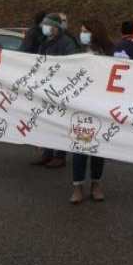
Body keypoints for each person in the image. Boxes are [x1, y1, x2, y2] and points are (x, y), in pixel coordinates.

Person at [71, 20, 114, 203]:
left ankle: (96, 184)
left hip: (101, 107)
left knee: (97, 149)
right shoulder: (77, 53)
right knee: (80, 148)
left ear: (95, 32)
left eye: (86, 31)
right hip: (81, 108)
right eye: (81, 31)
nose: (82, 34)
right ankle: (77, 186)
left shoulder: (110, 54)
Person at [32, 13, 78, 168]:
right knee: (46, 122)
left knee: (59, 123)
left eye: (48, 25)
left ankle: (60, 155)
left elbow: (71, 64)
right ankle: (47, 153)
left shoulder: (67, 43)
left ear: (55, 27)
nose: (45, 28)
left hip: (60, 88)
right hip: (45, 87)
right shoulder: (44, 41)